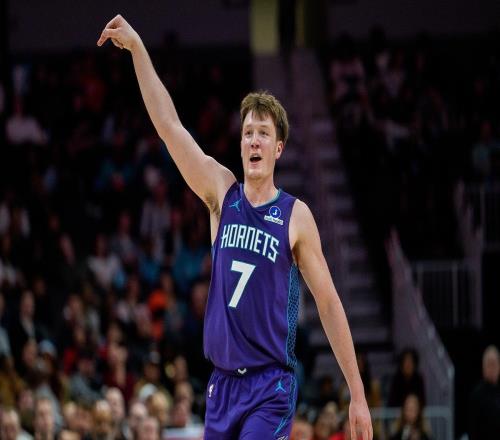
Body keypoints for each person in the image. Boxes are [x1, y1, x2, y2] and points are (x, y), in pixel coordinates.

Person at [97, 15, 372, 440]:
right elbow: (169, 128)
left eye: (263, 133)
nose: (254, 140)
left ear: (278, 148)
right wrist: (138, 49)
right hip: (222, 386)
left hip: (270, 386)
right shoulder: (221, 192)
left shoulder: (295, 215)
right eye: (248, 133)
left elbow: (329, 303)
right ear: (241, 143)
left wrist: (357, 392)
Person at [468, 345, 500, 439]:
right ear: (483, 367)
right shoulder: (477, 395)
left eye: (494, 364)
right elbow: (472, 429)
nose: (492, 368)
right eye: (489, 364)